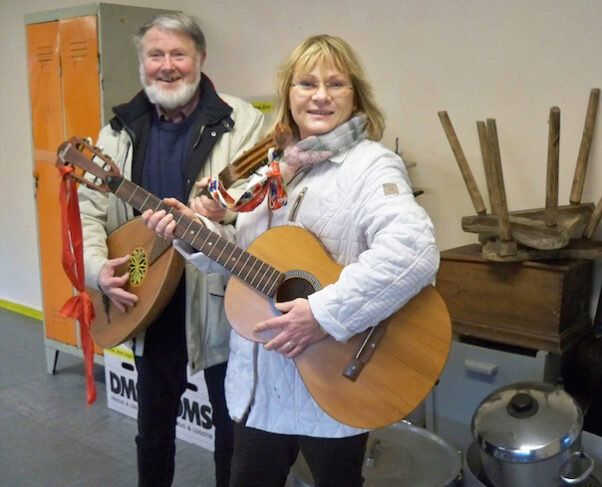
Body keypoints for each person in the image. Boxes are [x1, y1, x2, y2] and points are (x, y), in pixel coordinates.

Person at [142, 34, 439, 487]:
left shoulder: (371, 166)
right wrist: (196, 234)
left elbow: (413, 252)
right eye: (306, 83)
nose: (320, 96)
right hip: (261, 390)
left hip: (335, 378)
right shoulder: (271, 170)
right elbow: (245, 262)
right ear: (289, 95)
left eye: (335, 84)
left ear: (354, 95)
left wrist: (323, 313)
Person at [78, 12, 265, 487]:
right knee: (153, 429)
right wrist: (99, 271)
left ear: (200, 59)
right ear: (142, 64)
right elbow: (89, 216)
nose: (167, 66)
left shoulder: (244, 125)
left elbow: (263, 213)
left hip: (221, 304)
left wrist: (213, 218)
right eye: (155, 55)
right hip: (147, 298)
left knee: (232, 430)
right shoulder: (116, 132)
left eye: (178, 54)